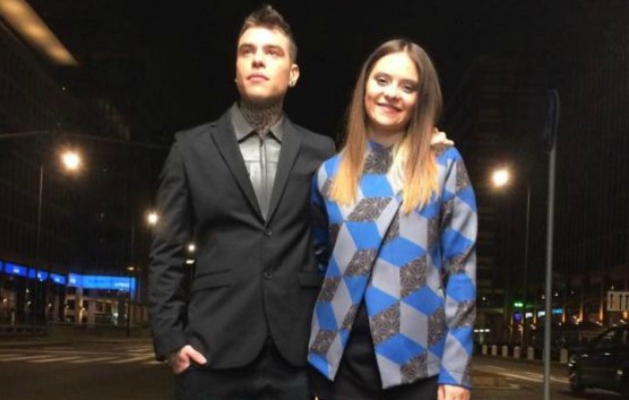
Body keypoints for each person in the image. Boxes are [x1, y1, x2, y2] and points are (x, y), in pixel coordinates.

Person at [148, 5, 335, 400]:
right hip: (211, 354)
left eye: (272, 52)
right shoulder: (190, 148)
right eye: (247, 51)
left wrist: (424, 150)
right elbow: (166, 251)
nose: (258, 59)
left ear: (293, 74)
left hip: (295, 358)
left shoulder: (322, 152)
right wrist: (170, 340)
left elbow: (337, 247)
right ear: (236, 70)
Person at [307, 39, 477, 400]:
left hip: (419, 363)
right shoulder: (328, 174)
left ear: (420, 99)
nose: (391, 94)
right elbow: (321, 265)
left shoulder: (444, 163)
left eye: (407, 86)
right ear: (364, 87)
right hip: (339, 366)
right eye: (382, 80)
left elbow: (461, 269)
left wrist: (457, 370)